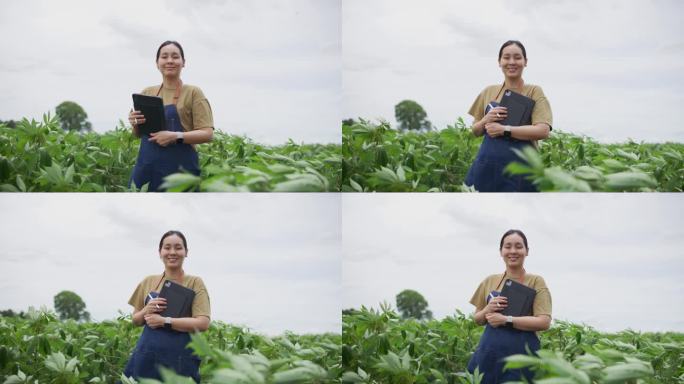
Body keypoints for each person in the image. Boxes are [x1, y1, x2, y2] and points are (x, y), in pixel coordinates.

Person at [122, 230, 211, 382]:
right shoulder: (148, 281)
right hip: (147, 357)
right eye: (167, 247)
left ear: (186, 252)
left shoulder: (195, 282)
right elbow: (135, 320)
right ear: (160, 252)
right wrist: (146, 310)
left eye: (178, 247)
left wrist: (165, 321)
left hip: (180, 359)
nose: (172, 252)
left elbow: (203, 323)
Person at [465, 40, 553, 192]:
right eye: (506, 57)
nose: (511, 62)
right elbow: (475, 131)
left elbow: (543, 130)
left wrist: (504, 129)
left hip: (521, 170)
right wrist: (485, 120)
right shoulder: (488, 91)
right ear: (499, 62)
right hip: (486, 168)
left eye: (517, 57)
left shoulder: (534, 91)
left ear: (525, 62)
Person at [467, 229, 552, 383]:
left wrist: (506, 319)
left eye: (519, 246)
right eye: (508, 246)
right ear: (501, 251)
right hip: (489, 355)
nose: (513, 251)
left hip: (521, 358)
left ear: (527, 251)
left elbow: (544, 322)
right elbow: (477, 319)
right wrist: (487, 309)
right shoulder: (489, 281)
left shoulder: (536, 281)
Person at [128, 41, 214, 192]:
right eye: (164, 57)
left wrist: (176, 136)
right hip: (146, 169)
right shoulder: (147, 92)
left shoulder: (194, 92)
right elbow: (138, 134)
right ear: (157, 63)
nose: (169, 61)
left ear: (183, 62)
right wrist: (135, 123)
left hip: (180, 173)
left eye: (175, 57)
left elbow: (207, 134)